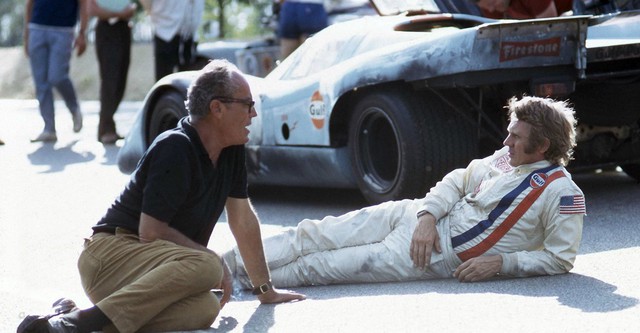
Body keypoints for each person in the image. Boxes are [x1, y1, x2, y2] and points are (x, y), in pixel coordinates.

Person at [17, 59, 305, 333]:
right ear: (217, 108)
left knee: (206, 307)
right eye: (247, 105)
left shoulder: (231, 149)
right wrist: (210, 259)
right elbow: (150, 232)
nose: (253, 113)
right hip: (110, 257)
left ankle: (71, 320)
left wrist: (265, 291)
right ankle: (75, 324)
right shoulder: (175, 147)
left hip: (150, 273)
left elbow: (242, 219)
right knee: (207, 264)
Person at [224, 96, 586, 287]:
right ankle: (219, 267)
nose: (505, 141)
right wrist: (427, 216)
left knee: (320, 266)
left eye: (516, 137)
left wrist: (502, 263)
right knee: (312, 233)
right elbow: (457, 180)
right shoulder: (507, 156)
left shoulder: (561, 193)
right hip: (414, 215)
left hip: (433, 256)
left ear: (542, 146)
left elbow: (559, 259)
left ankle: (239, 282)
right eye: (509, 132)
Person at [24, 0, 87, 143]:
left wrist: (82, 32)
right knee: (41, 82)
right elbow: (29, 4)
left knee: (57, 76)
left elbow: (84, 4)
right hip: (36, 27)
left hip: (64, 30)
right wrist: (26, 34)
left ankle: (74, 108)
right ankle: (49, 129)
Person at [88, 0, 137, 144]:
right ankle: (106, 127)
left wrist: (124, 13)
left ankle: (108, 124)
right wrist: (118, 14)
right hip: (106, 29)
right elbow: (92, 9)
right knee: (110, 79)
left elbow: (132, 7)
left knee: (121, 79)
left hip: (123, 28)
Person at [140, 0, 204, 82]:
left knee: (189, 81)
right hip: (164, 31)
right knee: (164, 81)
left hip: (190, 35)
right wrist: (156, 13)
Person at [474, 0, 574, 19]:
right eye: (487, 7)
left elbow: (551, 29)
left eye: (492, 3)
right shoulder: (490, 7)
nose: (491, 10)